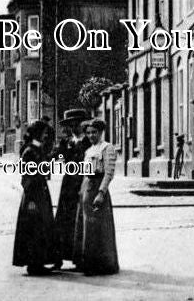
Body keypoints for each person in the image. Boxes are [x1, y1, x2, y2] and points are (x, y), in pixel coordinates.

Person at [73, 118, 119, 276]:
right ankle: (88, 263)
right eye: (89, 133)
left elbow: (109, 173)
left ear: (101, 132)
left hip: (98, 189)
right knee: (87, 226)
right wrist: (82, 190)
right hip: (87, 188)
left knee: (100, 227)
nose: (91, 135)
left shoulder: (107, 148)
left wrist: (101, 193)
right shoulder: (88, 150)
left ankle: (103, 264)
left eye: (94, 132)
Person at [13, 120, 55, 276]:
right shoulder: (30, 151)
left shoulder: (38, 149)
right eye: (44, 132)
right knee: (34, 229)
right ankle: (33, 264)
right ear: (38, 133)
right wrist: (30, 200)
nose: (46, 135)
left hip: (40, 192)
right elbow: (26, 178)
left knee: (40, 228)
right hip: (33, 195)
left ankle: (39, 262)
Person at [51, 108, 91, 270]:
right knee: (63, 220)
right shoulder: (66, 142)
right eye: (70, 124)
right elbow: (56, 156)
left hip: (82, 182)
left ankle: (80, 258)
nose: (73, 127)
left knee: (79, 219)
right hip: (68, 185)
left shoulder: (88, 143)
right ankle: (59, 257)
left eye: (76, 124)